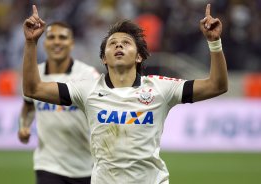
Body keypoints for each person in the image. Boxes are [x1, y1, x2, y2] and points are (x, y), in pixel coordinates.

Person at [22, 4, 228, 184]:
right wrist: (31, 43)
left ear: (139, 56)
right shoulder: (87, 89)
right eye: (112, 43)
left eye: (126, 43)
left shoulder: (160, 88)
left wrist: (214, 43)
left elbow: (216, 86)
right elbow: (33, 89)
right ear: (104, 58)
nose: (118, 45)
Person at [18, 21, 99, 184]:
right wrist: (24, 126)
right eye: (51, 37)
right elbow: (28, 106)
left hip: (85, 165)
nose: (56, 41)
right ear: (45, 43)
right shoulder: (34, 75)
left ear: (72, 43)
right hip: (48, 165)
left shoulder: (88, 75)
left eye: (62, 37)